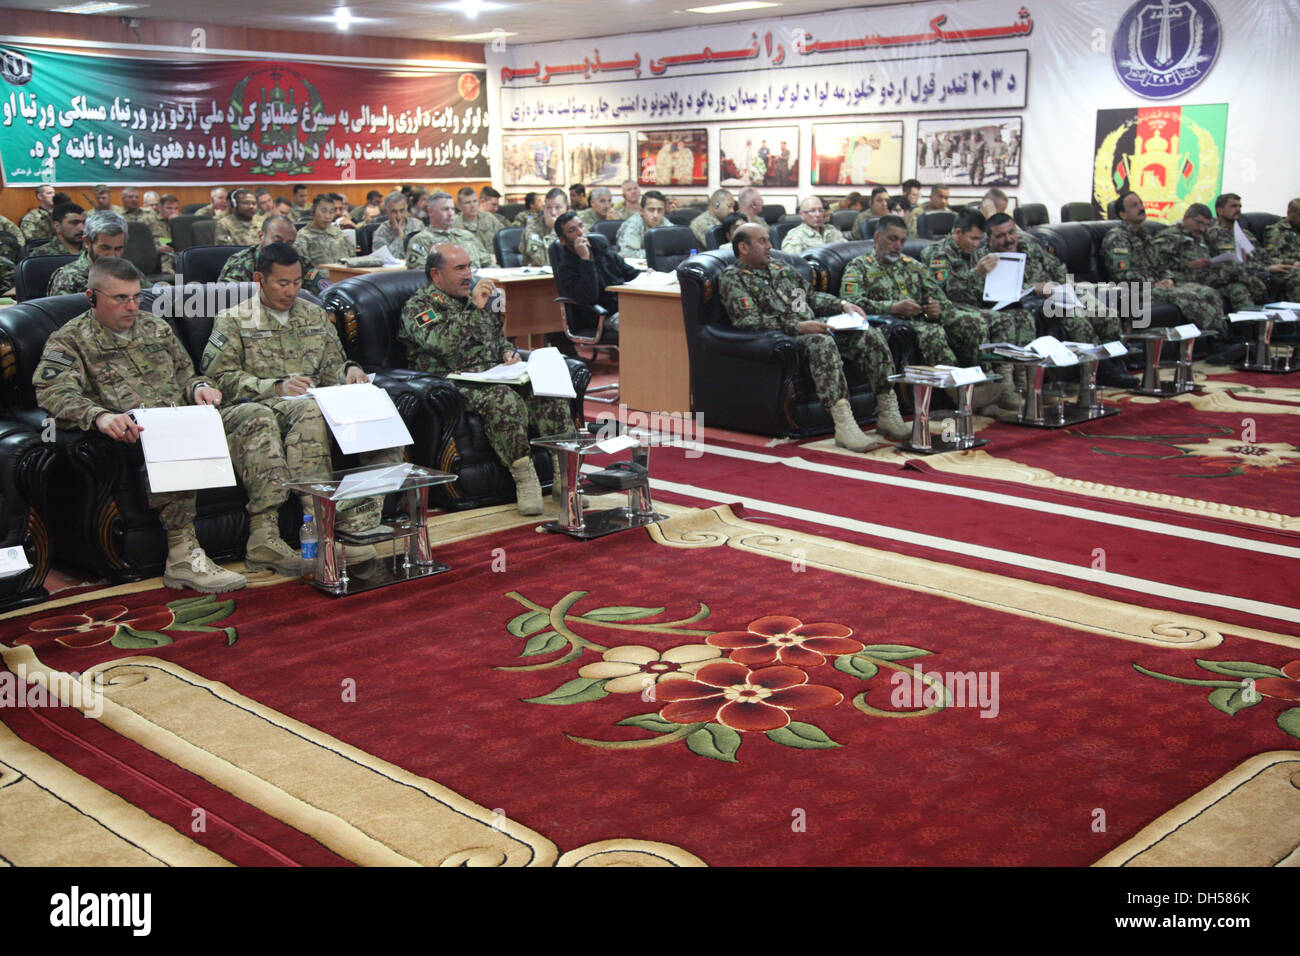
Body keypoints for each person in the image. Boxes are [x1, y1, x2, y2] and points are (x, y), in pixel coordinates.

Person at [33, 257, 302, 591]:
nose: (131, 306)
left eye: (136, 297)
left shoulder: (156, 327)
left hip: (184, 418)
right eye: (120, 298)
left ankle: (265, 535)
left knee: (255, 416)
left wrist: (200, 388)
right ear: (92, 297)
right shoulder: (69, 340)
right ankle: (183, 555)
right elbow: (52, 393)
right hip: (138, 433)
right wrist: (99, 416)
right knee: (171, 433)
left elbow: (187, 376)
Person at [202, 242, 399, 554]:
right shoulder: (234, 319)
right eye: (282, 283)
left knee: (380, 405)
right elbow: (220, 380)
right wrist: (277, 386)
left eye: (296, 282)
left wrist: (349, 373)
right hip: (265, 404)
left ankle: (362, 515)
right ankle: (322, 521)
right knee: (308, 411)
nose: (292, 291)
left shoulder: (314, 315)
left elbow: (334, 364)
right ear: (259, 279)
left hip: (319, 398)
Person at [398, 244, 572, 515]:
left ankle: (564, 476)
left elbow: (497, 337)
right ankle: (525, 480)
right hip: (452, 381)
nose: (468, 275)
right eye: (459, 269)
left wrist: (507, 352)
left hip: (495, 373)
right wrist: (475, 311)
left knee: (549, 391)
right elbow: (442, 343)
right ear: (436, 274)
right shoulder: (420, 307)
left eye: (469, 267)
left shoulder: (475, 297)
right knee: (503, 400)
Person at [719, 223, 907, 449]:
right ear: (743, 247)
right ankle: (844, 425)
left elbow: (810, 298)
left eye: (769, 240)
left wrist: (843, 304)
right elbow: (747, 321)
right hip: (785, 337)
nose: (770, 246)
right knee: (821, 342)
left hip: (813, 326)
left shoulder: (782, 269)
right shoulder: (733, 278)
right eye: (762, 241)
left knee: (870, 334)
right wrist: (797, 326)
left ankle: (888, 412)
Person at [1100, 191, 1231, 351]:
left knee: (1208, 292)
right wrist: (1154, 284)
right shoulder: (1117, 237)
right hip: (1136, 290)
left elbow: (1161, 265)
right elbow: (1122, 274)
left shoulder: (1145, 236)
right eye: (1134, 206)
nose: (1141, 208)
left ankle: (1219, 340)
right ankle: (1215, 345)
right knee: (1188, 297)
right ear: (1123, 214)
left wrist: (1169, 279)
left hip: (1157, 285)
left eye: (1141, 203)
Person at [840, 215, 965, 372]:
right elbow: (850, 302)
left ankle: (983, 378)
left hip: (922, 320)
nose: (898, 246)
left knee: (970, 322)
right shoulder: (860, 266)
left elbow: (941, 299)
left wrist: (936, 308)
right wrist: (892, 308)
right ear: (878, 237)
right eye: (892, 239)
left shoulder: (913, 266)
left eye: (902, 241)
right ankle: (957, 387)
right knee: (932, 333)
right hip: (888, 325)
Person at [1154, 203, 1267, 312]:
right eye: (1199, 223)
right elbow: (1159, 264)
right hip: (1185, 277)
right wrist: (1188, 264)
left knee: (1237, 288)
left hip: (1206, 276)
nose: (1202, 229)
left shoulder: (1200, 237)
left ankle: (1249, 327)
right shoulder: (1169, 236)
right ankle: (1261, 290)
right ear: (1187, 217)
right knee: (1231, 268)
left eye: (1205, 225)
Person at [554, 211, 640, 333]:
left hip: (625, 306)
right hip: (601, 316)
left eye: (581, 226)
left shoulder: (600, 247)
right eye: (572, 230)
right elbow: (589, 297)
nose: (580, 232)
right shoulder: (566, 267)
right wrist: (585, 259)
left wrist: (648, 275)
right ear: (563, 240)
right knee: (638, 325)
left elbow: (630, 273)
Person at [218, 215, 326, 296]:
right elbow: (225, 300)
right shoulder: (241, 264)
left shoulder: (300, 262)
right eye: (277, 241)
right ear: (261, 236)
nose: (283, 247)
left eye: (289, 243)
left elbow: (323, 291)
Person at [407, 190, 493, 270]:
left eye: (452, 209)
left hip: (481, 283)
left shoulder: (467, 236)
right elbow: (419, 276)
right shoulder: (421, 240)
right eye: (445, 209)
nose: (450, 213)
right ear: (430, 211)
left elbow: (489, 264)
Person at [49, 210, 127, 296]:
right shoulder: (69, 278)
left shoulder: (130, 273)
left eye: (118, 249)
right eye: (105, 248)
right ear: (86, 242)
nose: (112, 255)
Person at [120, 186, 175, 276]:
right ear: (123, 199)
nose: (134, 199)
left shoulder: (149, 213)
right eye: (130, 197)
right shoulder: (118, 216)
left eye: (136, 197)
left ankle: (169, 275)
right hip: (130, 250)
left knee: (167, 248)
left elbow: (159, 234)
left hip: (155, 246)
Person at [295, 193, 354, 267]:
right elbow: (302, 269)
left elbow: (352, 257)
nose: (327, 216)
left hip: (346, 275)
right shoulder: (303, 236)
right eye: (323, 211)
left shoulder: (338, 232)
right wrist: (318, 278)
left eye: (331, 212)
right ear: (313, 211)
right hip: (322, 277)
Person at [518, 188, 569, 267]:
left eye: (558, 207)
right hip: (539, 277)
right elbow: (545, 261)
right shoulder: (532, 229)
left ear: (567, 209)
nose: (553, 212)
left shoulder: (574, 227)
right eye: (549, 207)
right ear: (544, 208)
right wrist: (555, 229)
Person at [1261, 198, 1300, 301]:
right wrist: (1294, 263)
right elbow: (1269, 258)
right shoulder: (1277, 231)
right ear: (1289, 213)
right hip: (1285, 270)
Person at [781, 196, 846, 256]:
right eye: (812, 211)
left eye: (820, 210)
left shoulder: (831, 230)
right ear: (802, 215)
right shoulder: (796, 235)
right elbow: (792, 263)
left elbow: (848, 250)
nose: (818, 214)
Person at [371, 190, 424, 260]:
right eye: (394, 212)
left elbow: (425, 252)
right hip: (393, 270)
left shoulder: (418, 226)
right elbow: (384, 259)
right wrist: (399, 237)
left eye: (402, 211)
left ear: (406, 210)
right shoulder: (381, 232)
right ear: (387, 212)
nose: (398, 216)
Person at [615, 189, 667, 258]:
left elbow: (678, 247)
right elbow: (626, 253)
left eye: (660, 210)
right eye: (651, 210)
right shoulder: (633, 224)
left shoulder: (664, 221)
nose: (656, 215)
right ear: (641, 211)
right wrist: (657, 254)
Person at [452, 185, 502, 253]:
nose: (473, 206)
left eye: (475, 201)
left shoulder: (489, 218)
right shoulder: (454, 225)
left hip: (495, 259)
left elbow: (504, 238)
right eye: (467, 202)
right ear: (459, 206)